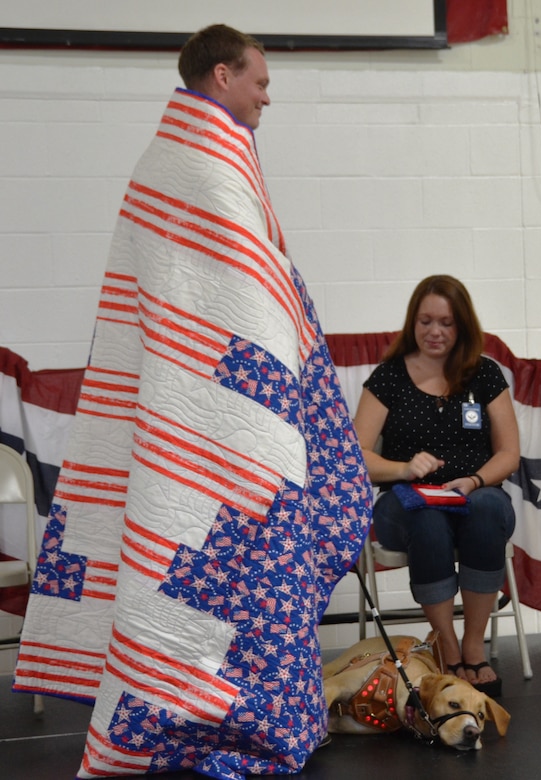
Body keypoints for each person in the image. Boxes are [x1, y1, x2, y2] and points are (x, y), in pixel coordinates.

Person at [14, 24, 371, 777]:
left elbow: (255, 285)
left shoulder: (192, 160)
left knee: (234, 569)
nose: (267, 95)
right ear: (220, 75)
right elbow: (241, 306)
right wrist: (269, 405)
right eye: (260, 82)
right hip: (217, 423)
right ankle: (194, 721)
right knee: (228, 554)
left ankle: (202, 718)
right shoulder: (196, 167)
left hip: (218, 413)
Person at [353, 275, 520, 696]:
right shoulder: (389, 377)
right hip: (406, 499)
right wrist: (404, 468)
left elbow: (509, 454)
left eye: (446, 323)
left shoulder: (484, 374)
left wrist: (476, 479)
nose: (435, 332)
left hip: (472, 493)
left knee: (486, 508)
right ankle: (445, 641)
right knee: (426, 518)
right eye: (425, 321)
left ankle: (472, 644)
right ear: (413, 323)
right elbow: (356, 457)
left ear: (462, 326)